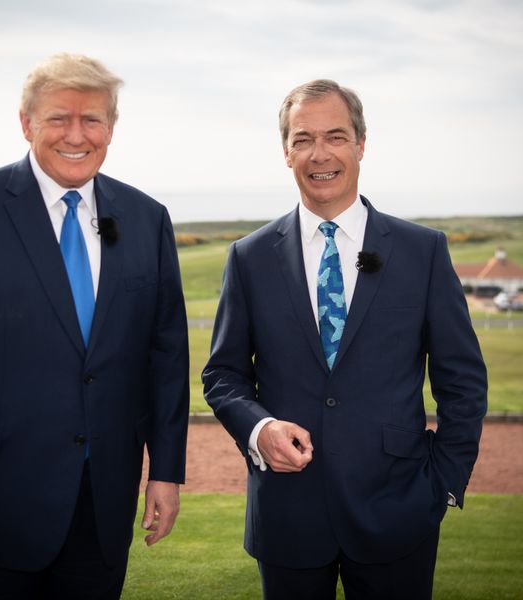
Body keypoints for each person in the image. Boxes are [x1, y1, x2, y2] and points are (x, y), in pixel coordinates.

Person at [0, 53, 190, 599]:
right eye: (58, 118)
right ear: (26, 123)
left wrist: (166, 473)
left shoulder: (148, 219)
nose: (76, 134)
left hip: (102, 509)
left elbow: (165, 358)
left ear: (112, 128)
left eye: (92, 119)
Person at [202, 80, 487, 600]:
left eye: (335, 136)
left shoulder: (423, 251)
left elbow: (462, 379)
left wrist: (444, 483)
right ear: (285, 151)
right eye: (303, 138)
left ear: (361, 143)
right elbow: (222, 375)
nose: (319, 154)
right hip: (286, 516)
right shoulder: (249, 257)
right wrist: (259, 429)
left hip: (399, 514)